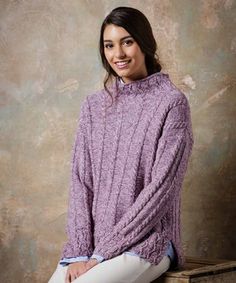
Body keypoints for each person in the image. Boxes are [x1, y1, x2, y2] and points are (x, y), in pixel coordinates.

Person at [48, 6, 194, 283]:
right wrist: (81, 253)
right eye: (109, 45)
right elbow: (81, 182)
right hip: (92, 247)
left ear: (145, 43)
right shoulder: (93, 106)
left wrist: (102, 254)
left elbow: (160, 191)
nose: (118, 54)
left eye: (127, 42)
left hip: (148, 241)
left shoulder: (172, 104)